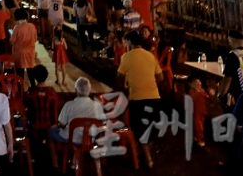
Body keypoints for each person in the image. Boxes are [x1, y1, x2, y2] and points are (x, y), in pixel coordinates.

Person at [116, 30, 162, 168]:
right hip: (154, 97)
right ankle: (146, 153)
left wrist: (129, 85)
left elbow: (119, 78)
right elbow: (160, 77)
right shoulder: (150, 56)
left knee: (139, 129)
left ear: (129, 42)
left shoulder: (126, 57)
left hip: (137, 99)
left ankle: (148, 159)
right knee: (152, 128)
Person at [50, 77, 106, 145]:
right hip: (89, 139)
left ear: (76, 90)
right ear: (89, 90)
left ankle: (55, 155)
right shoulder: (98, 106)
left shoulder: (69, 105)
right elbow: (102, 123)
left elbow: (62, 124)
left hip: (70, 138)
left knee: (51, 131)